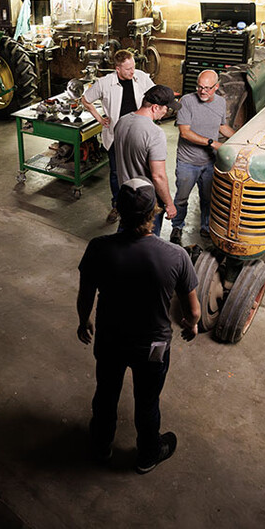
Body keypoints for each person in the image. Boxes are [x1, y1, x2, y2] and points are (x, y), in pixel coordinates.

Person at [77, 177, 200, 474]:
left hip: (109, 340)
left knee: (106, 393)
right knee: (147, 401)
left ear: (118, 209)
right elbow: (193, 311)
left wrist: (84, 321)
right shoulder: (177, 256)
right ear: (153, 213)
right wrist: (191, 325)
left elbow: (85, 295)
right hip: (153, 347)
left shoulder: (97, 248)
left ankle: (101, 446)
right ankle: (147, 455)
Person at [82, 49, 156, 223]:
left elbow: (155, 94)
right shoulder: (104, 83)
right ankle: (118, 205)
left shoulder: (141, 77)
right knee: (116, 172)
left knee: (141, 170)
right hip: (116, 135)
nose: (132, 72)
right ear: (117, 69)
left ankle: (142, 205)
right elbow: (85, 99)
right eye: (128, 69)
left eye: (133, 67)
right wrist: (100, 118)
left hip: (138, 134)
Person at [169, 70, 235, 245]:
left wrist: (238, 139)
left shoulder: (221, 103)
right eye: (199, 87)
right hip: (187, 162)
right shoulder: (187, 101)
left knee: (208, 198)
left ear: (216, 87)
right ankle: (177, 227)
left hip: (209, 162)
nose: (203, 91)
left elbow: (222, 126)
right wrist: (212, 143)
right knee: (182, 198)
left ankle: (205, 227)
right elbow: (185, 133)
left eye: (207, 88)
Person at [112, 84, 178, 237]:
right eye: (165, 108)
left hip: (126, 195)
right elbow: (158, 176)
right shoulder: (155, 133)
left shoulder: (122, 121)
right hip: (146, 200)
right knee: (146, 242)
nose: (167, 111)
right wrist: (169, 204)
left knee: (125, 235)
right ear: (155, 107)